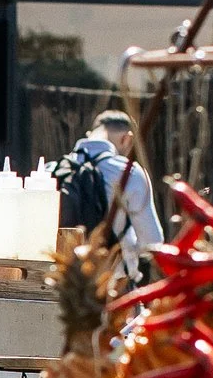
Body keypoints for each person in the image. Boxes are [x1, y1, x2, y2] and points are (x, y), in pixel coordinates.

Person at [63, 109, 164, 281]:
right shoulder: (129, 172)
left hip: (67, 289)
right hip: (113, 289)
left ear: (89, 135)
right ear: (127, 138)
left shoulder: (56, 170)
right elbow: (152, 242)